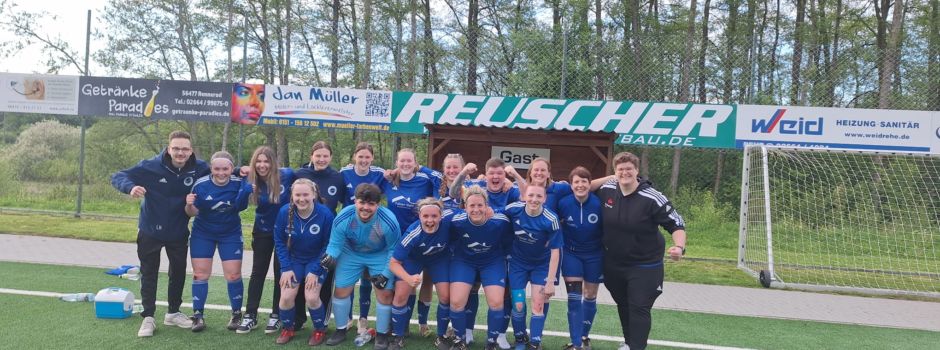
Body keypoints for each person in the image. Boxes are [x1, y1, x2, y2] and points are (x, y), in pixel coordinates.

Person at [110, 130, 208, 337]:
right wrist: (130, 187)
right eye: (176, 148)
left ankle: (173, 312)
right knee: (149, 273)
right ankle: (148, 317)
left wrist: (240, 171)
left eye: (185, 149)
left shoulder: (199, 168)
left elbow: (221, 172)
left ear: (191, 151)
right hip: (150, 230)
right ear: (168, 148)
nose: (180, 153)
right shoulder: (151, 166)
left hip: (178, 231)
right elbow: (119, 175)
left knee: (178, 273)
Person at [595, 152, 687, 350]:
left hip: (645, 265)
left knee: (639, 306)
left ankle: (637, 346)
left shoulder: (652, 197)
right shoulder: (607, 189)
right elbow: (583, 187)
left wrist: (679, 247)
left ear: (637, 171)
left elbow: (677, 224)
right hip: (614, 263)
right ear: (614, 172)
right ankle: (629, 343)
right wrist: (610, 177)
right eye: (620, 169)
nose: (625, 173)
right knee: (624, 304)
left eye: (629, 169)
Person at [319, 183, 401, 349]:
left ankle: (382, 334)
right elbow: (335, 243)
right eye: (362, 202)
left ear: (378, 204)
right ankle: (341, 330)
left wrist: (385, 274)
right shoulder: (344, 216)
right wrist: (330, 255)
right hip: (351, 253)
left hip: (380, 254)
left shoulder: (389, 221)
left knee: (385, 293)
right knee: (341, 290)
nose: (365, 207)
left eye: (371, 204)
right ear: (355, 201)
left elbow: (394, 250)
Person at [184, 151, 253, 332]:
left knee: (233, 275)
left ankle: (236, 315)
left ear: (232, 169)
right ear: (211, 169)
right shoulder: (201, 185)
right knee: (200, 274)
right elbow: (192, 212)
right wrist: (189, 204)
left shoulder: (239, 183)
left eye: (225, 168)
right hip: (203, 233)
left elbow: (244, 202)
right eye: (217, 168)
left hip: (230, 233)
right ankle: (198, 316)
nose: (221, 172)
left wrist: (248, 174)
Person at [446, 185, 514, 350]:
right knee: (456, 302)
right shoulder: (457, 220)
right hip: (464, 261)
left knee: (497, 303)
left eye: (480, 205)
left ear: (486, 206)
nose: (476, 209)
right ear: (465, 207)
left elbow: (509, 240)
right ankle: (460, 340)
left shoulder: (500, 221)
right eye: (472, 205)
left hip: (492, 262)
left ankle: (491, 343)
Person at [238, 146, 296, 334]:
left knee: (281, 273)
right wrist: (244, 187)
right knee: (258, 272)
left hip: (285, 232)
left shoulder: (286, 175)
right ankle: (250, 315)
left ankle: (277, 315)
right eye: (259, 161)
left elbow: (305, 175)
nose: (262, 165)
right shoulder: (250, 179)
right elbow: (239, 205)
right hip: (262, 231)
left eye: (266, 161)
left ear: (273, 162)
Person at [271, 179, 335, 345]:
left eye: (306, 194)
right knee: (285, 297)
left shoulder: (325, 214)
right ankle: (288, 328)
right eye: (297, 195)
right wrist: (285, 268)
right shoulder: (284, 212)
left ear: (314, 195)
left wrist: (315, 270)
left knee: (312, 297)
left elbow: (328, 245)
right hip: (294, 261)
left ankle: (320, 330)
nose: (302, 199)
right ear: (292, 196)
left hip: (317, 261)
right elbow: (279, 240)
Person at [501, 185, 562, 350]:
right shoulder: (514, 209)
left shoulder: (551, 218)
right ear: (524, 196)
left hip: (541, 266)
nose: (534, 199)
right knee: (518, 304)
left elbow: (556, 252)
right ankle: (520, 339)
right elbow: (496, 213)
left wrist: (550, 280)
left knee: (538, 305)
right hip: (518, 264)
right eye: (531, 195)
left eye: (539, 196)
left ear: (544, 199)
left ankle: (535, 343)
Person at [387, 198, 454, 350]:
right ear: (419, 216)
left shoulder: (449, 221)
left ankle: (441, 336)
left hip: (439, 260)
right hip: (413, 260)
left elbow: (467, 212)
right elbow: (393, 263)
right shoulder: (413, 233)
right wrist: (408, 278)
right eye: (425, 216)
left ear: (441, 216)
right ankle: (398, 337)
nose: (430, 220)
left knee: (445, 296)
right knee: (400, 296)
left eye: (434, 216)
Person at [339, 142, 387, 332]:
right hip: (348, 231)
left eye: (367, 157)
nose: (364, 160)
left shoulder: (379, 173)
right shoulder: (343, 173)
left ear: (372, 158)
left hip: (370, 230)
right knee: (348, 277)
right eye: (361, 156)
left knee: (367, 278)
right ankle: (348, 317)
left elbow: (398, 174)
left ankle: (364, 319)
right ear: (354, 157)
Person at [557, 167, 604, 350]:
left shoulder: (599, 203)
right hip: (571, 254)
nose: (580, 185)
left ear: (590, 184)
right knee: (574, 298)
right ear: (571, 185)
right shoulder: (563, 203)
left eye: (584, 181)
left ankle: (584, 336)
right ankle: (576, 343)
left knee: (590, 295)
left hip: (595, 254)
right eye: (576, 182)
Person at [296, 141, 346, 212]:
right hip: (305, 222)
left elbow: (346, 201)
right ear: (311, 157)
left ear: (330, 157)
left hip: (329, 222)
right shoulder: (300, 175)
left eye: (325, 156)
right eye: (318, 156)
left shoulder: (338, 177)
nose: (321, 159)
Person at [507, 158, 571, 214]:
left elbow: (577, 188)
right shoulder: (517, 187)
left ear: (548, 174)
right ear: (530, 173)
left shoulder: (559, 188)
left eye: (543, 170)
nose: (539, 173)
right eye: (536, 170)